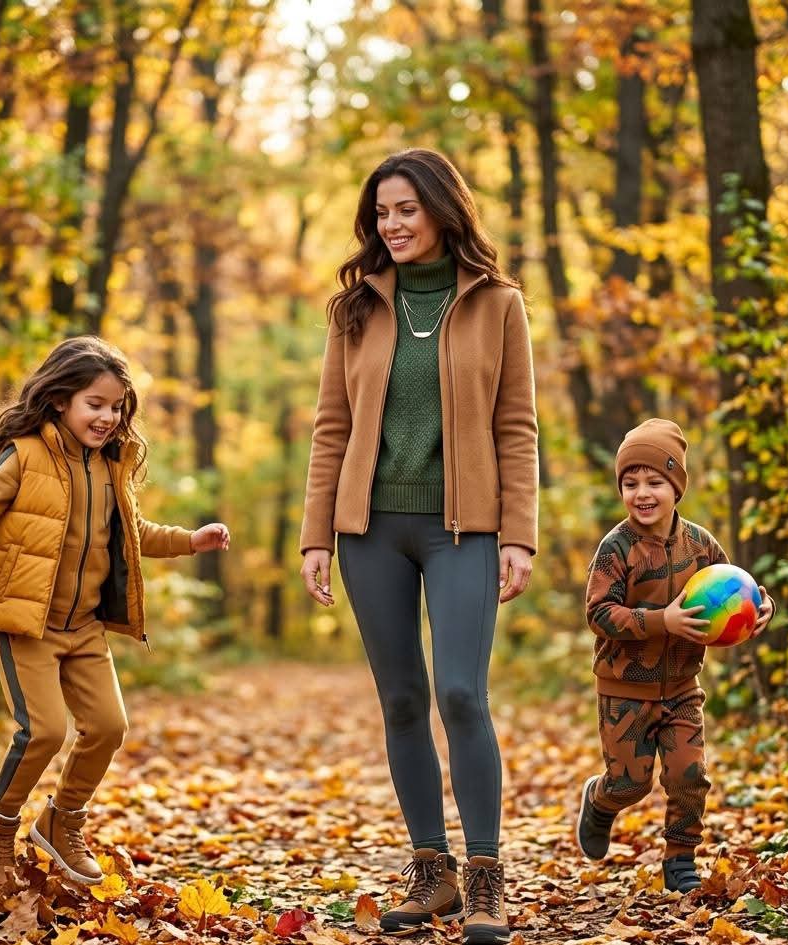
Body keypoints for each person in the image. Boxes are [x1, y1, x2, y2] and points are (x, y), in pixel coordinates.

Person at [299, 148, 538, 945]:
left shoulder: (498, 303)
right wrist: (315, 536)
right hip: (370, 530)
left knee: (462, 694)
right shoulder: (357, 310)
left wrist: (520, 536)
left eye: (405, 209)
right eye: (381, 213)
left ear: (442, 209)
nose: (391, 225)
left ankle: (486, 876)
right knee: (401, 699)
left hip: (463, 527)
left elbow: (516, 426)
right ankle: (430, 872)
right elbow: (331, 427)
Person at [0, 335, 230, 887]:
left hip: (83, 627)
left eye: (116, 407)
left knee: (109, 727)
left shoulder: (110, 466)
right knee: (43, 732)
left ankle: (62, 821)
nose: (108, 417)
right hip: (27, 621)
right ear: (61, 399)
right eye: (96, 404)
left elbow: (132, 535)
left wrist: (191, 540)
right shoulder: (26, 455)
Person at [577, 418, 774, 893]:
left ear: (676, 487)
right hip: (625, 691)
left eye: (654, 482)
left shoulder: (700, 545)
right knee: (632, 784)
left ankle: (680, 858)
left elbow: (733, 591)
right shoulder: (616, 549)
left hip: (683, 688)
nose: (642, 493)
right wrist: (659, 621)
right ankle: (600, 802)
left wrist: (759, 610)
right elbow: (598, 612)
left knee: (690, 774)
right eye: (630, 483)